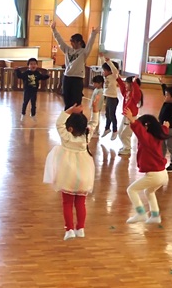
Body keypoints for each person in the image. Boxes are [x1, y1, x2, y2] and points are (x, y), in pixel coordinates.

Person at [43, 105, 95, 240]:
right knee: (81, 203)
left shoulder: (66, 137)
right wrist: (95, 110)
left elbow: (59, 123)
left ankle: (69, 230)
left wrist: (69, 110)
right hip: (84, 176)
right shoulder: (86, 137)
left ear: (70, 128)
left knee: (67, 203)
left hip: (68, 177)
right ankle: (81, 228)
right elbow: (94, 123)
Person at [122, 109, 169, 225]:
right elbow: (163, 130)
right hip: (163, 174)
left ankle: (141, 213)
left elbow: (140, 132)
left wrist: (132, 120)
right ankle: (155, 215)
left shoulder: (148, 139)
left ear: (146, 127)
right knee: (149, 192)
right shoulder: (157, 136)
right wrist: (165, 127)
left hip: (155, 175)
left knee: (131, 190)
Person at [50, 24, 99, 109]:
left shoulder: (84, 52)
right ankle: (67, 114)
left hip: (77, 78)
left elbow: (90, 44)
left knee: (76, 101)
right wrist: (54, 29)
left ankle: (77, 116)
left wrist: (93, 34)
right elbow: (60, 41)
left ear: (79, 42)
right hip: (67, 77)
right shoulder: (67, 50)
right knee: (66, 99)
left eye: (73, 41)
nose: (71, 43)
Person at [116, 75, 143, 155]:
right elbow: (122, 87)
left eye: (127, 83)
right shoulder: (127, 92)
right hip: (126, 116)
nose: (125, 85)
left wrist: (134, 83)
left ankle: (127, 149)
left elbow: (136, 91)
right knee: (120, 132)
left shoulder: (136, 95)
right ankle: (125, 146)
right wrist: (118, 78)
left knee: (125, 134)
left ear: (132, 85)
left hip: (131, 118)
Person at [101, 59, 120, 139]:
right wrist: (102, 58)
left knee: (112, 115)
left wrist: (109, 62)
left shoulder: (113, 76)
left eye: (105, 70)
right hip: (108, 97)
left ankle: (115, 130)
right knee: (107, 115)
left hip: (113, 99)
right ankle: (107, 128)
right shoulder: (106, 76)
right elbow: (103, 64)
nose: (103, 72)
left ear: (110, 71)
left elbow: (114, 70)